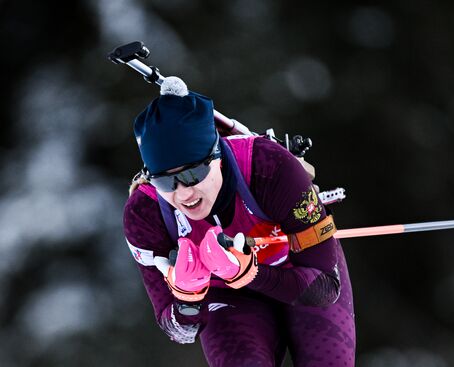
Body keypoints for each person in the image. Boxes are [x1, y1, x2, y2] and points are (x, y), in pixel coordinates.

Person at [123, 76, 356, 367]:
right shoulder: (144, 213)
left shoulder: (271, 168)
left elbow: (325, 288)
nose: (183, 193)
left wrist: (250, 274)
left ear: (216, 157)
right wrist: (188, 297)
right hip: (229, 300)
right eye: (165, 181)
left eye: (192, 175)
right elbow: (178, 329)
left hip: (297, 272)